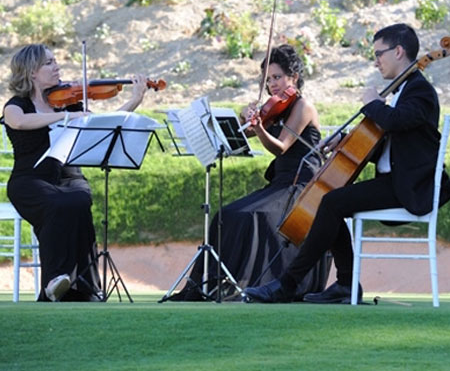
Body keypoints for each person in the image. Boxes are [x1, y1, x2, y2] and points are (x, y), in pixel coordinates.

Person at [244, 23, 450, 304]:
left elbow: (396, 121)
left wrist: (372, 103)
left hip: (411, 186)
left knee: (331, 202)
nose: (376, 61)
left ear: (399, 51)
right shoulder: (401, 92)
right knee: (332, 201)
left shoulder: (419, 91)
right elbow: (393, 145)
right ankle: (343, 283)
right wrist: (344, 140)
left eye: (379, 53)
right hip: (394, 181)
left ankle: (290, 284)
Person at [171, 44, 330, 301]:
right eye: (267, 80)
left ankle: (265, 282)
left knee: (251, 215)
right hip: (281, 183)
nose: (272, 85)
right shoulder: (277, 108)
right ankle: (216, 284)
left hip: (302, 186)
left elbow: (281, 148)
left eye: (277, 77)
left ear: (294, 77)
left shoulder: (303, 107)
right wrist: (244, 118)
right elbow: (239, 135)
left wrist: (259, 128)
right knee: (226, 215)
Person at [2, 44, 149, 302]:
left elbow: (105, 126)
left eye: (55, 60)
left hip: (69, 178)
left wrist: (135, 100)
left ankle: (77, 286)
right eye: (49, 63)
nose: (57, 66)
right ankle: (58, 280)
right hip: (30, 180)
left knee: (78, 200)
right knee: (59, 204)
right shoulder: (18, 105)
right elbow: (18, 122)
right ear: (31, 72)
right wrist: (63, 119)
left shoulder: (69, 104)